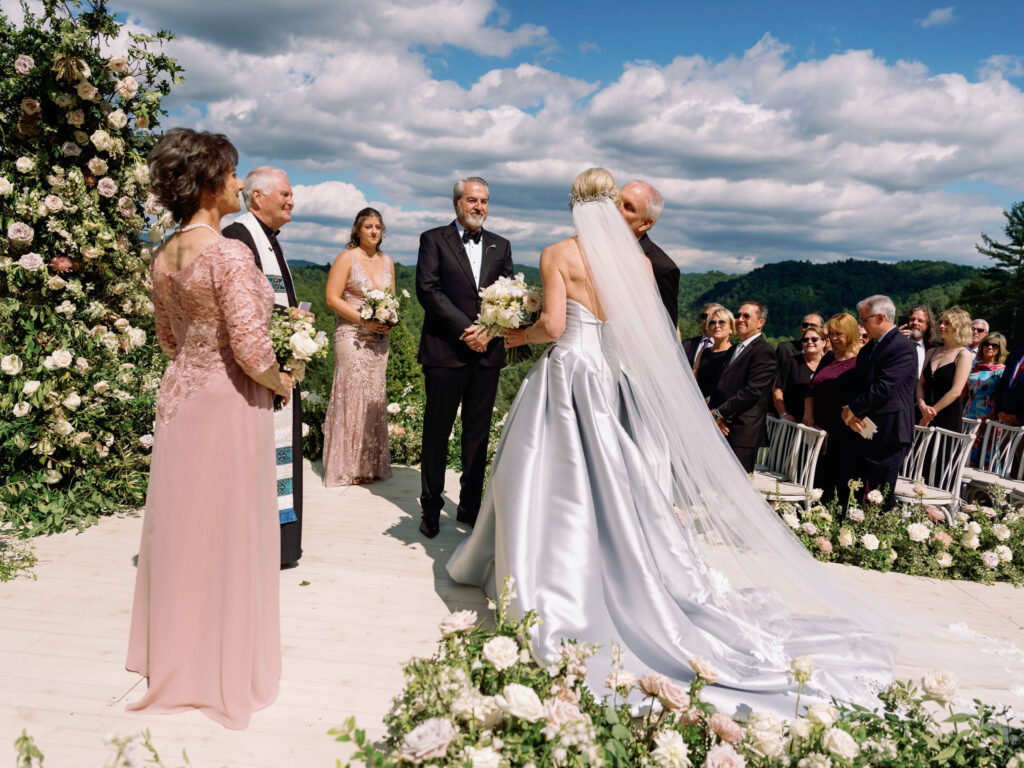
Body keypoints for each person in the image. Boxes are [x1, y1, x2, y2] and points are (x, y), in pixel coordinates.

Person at [445, 168, 1024, 718]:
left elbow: (551, 327)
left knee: (546, 475)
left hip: (568, 373)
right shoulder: (637, 269)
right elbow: (639, 339)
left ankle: (541, 570)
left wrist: (503, 332)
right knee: (610, 486)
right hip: (607, 381)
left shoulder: (558, 255)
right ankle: (603, 569)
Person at [126, 129, 291, 729]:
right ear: (206, 183)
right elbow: (249, 347)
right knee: (227, 531)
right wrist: (282, 378)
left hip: (180, 397)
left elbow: (171, 339)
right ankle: (221, 665)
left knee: (184, 530)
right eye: (230, 174)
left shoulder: (165, 253)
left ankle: (177, 656)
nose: (238, 184)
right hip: (227, 404)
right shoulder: (228, 253)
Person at [416, 177, 514, 538]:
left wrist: (488, 330)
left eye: (484, 201)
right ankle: (431, 508)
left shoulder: (500, 245)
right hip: (445, 352)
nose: (479, 207)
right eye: (472, 200)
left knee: (477, 434)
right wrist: (466, 329)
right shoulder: (432, 239)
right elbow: (428, 289)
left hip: (487, 354)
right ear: (456, 202)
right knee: (436, 433)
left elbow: (510, 297)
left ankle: (470, 506)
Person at [223, 167, 303, 567]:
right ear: (258, 197)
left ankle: (283, 548)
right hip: (261, 368)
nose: (291, 201)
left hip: (282, 362)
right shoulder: (240, 236)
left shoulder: (269, 238)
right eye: (285, 195)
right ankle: (261, 546)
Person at [322, 208, 395, 486]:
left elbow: (390, 301)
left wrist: (389, 321)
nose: (374, 231)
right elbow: (331, 298)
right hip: (351, 336)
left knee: (373, 397)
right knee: (352, 395)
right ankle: (346, 467)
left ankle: (369, 466)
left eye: (378, 227)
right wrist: (365, 318)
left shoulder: (388, 261)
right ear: (357, 230)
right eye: (368, 227)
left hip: (379, 340)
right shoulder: (346, 258)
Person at [843, 295, 918, 505]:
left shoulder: (902, 347)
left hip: (889, 431)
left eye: (864, 319)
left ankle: (880, 537)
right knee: (857, 492)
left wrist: (852, 409)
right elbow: (857, 383)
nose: (862, 325)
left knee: (880, 496)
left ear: (880, 317)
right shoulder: (869, 348)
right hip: (864, 428)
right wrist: (848, 408)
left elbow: (884, 388)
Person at [708, 301, 778, 472]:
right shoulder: (734, 350)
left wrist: (719, 413)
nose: (740, 319)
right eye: (738, 315)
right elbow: (722, 386)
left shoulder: (763, 351)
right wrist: (714, 416)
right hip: (723, 427)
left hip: (743, 431)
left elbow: (752, 391)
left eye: (746, 316)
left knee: (736, 487)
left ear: (760, 322)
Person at [804, 313, 863, 503]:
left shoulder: (860, 360)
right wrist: (808, 414)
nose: (834, 339)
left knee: (843, 481)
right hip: (821, 428)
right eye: (832, 334)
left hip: (846, 430)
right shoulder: (828, 357)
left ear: (851, 333)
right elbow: (811, 388)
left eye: (840, 334)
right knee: (819, 479)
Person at [619, 180, 679, 328]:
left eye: (628, 207)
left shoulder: (661, 267)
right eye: (617, 201)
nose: (617, 209)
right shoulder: (592, 247)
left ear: (646, 223)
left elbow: (666, 330)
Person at [917, 307, 973, 432]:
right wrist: (922, 406)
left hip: (947, 416)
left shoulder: (964, 354)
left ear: (959, 326)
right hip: (923, 412)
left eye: (947, 323)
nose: (941, 326)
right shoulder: (931, 352)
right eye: (940, 322)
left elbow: (956, 391)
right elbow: (921, 384)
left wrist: (931, 413)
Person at [964, 332, 1007, 465]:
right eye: (987, 344)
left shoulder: (1002, 371)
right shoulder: (973, 367)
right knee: (964, 452)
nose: (990, 347)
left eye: (995, 346)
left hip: (989, 417)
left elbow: (1001, 397)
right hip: (968, 414)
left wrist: (988, 419)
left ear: (1000, 350)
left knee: (986, 457)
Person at [773, 325, 824, 423]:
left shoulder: (829, 364)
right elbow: (777, 389)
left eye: (814, 339)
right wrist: (783, 414)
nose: (809, 342)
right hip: (794, 423)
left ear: (824, 342)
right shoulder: (792, 362)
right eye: (805, 340)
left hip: (820, 424)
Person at [693, 306, 733, 401]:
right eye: (712, 322)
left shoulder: (734, 353)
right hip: (699, 404)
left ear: (731, 328)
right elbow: (693, 380)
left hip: (721, 409)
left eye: (722, 322)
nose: (717, 325)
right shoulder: (703, 352)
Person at [900, 304, 936, 377]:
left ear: (928, 325)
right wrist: (895, 339)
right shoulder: (897, 344)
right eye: (912, 319)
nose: (915, 323)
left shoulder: (933, 349)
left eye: (920, 321)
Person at [993, 344, 1024, 427]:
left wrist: (1020, 418)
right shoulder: (1016, 354)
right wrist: (999, 411)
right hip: (1006, 424)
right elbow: (1002, 385)